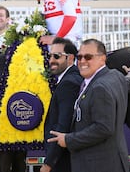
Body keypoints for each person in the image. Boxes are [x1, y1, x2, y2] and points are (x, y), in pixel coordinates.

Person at [47, 39, 130, 172]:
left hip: (97, 165)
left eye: (88, 57)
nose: (82, 61)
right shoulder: (115, 76)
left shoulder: (99, 87)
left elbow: (103, 128)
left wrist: (68, 140)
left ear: (103, 59)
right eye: (79, 57)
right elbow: (127, 83)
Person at [40, 37, 83, 172]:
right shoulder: (70, 78)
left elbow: (62, 127)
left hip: (63, 160)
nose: (51, 60)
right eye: (50, 55)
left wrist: (48, 164)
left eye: (57, 56)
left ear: (70, 58)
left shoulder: (68, 83)